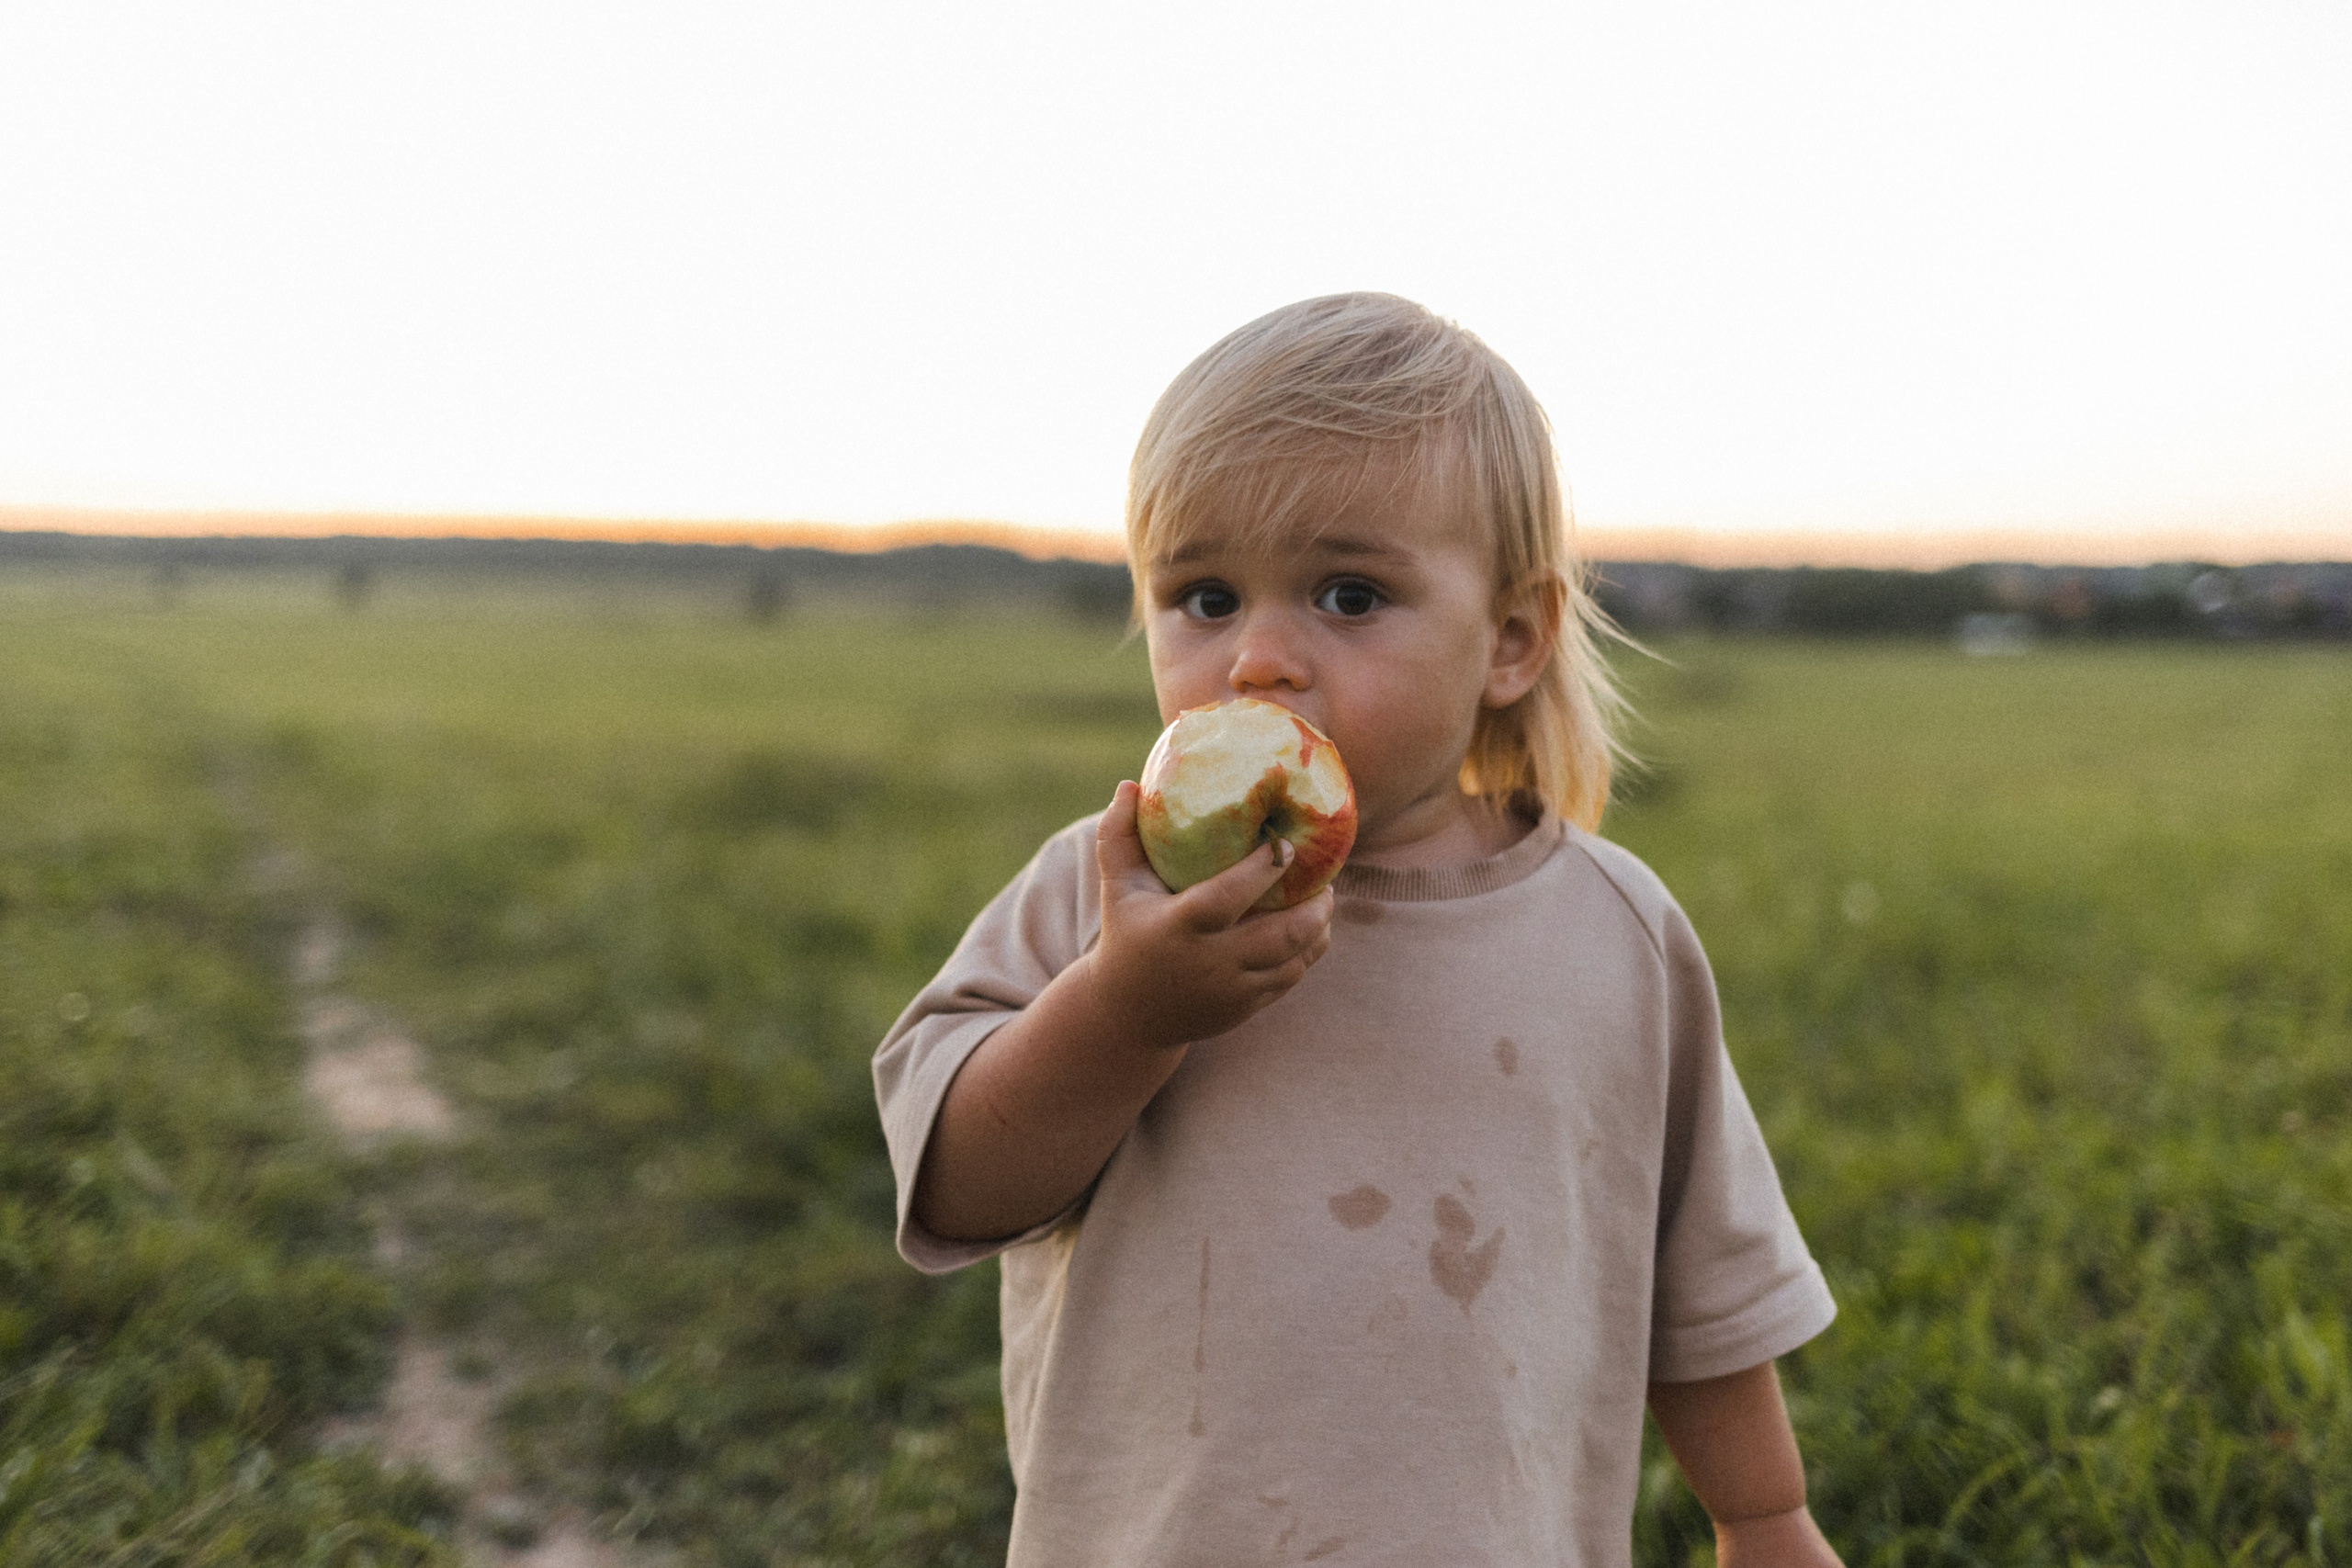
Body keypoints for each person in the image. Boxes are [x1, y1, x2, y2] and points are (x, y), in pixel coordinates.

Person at [873, 292, 1840, 1566]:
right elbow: (955, 1186)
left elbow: (1701, 1274)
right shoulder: (1112, 894)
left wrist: (1763, 1517)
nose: (1258, 661)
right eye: (1205, 597)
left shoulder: (1614, 935)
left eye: (1347, 594)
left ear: (1509, 641)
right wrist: (1125, 1011)